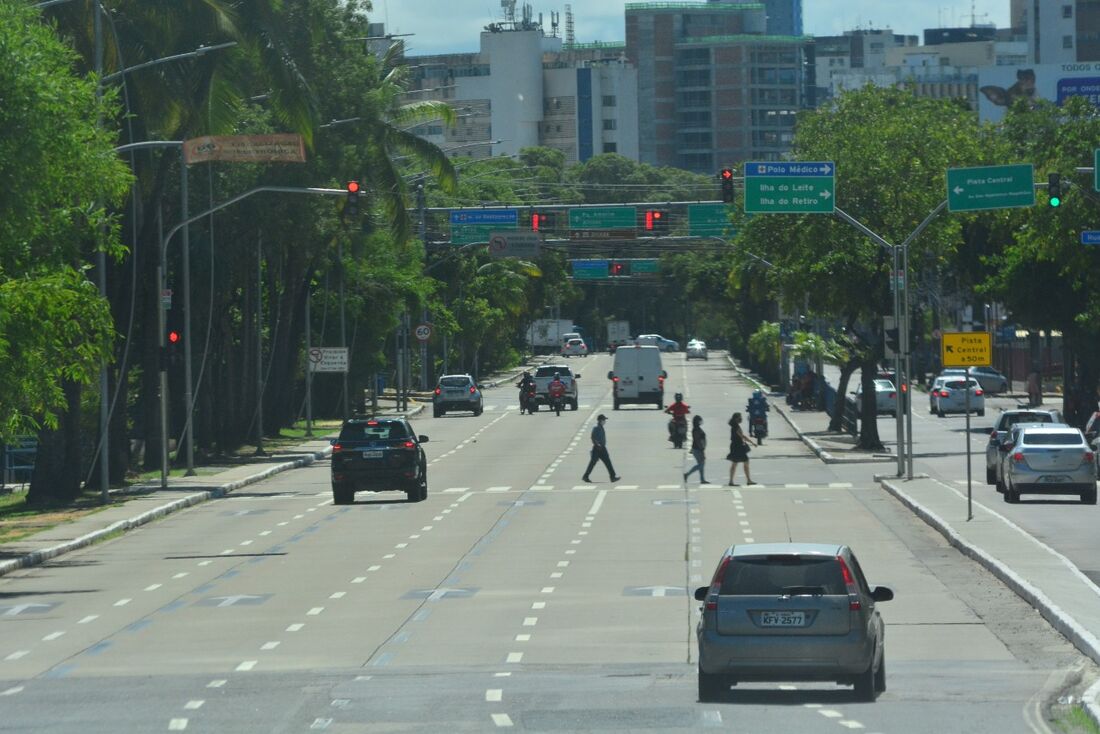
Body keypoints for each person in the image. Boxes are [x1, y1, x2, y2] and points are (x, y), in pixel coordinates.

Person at [582, 414, 620, 483]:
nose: (605, 421)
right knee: (592, 463)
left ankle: (613, 477)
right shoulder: (596, 427)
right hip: (597, 448)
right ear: (600, 420)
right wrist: (597, 444)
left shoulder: (600, 427)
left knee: (608, 462)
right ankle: (585, 476)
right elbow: (593, 437)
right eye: (604, 420)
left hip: (602, 448)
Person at [726, 412, 756, 486]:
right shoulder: (736, 426)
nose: (741, 419)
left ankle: (731, 481)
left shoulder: (734, 426)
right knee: (744, 462)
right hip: (738, 447)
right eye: (739, 417)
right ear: (736, 418)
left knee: (735, 463)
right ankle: (748, 480)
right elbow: (742, 436)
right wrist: (752, 442)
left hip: (735, 446)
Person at [683, 415, 708, 484]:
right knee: (701, 465)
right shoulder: (696, 430)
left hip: (698, 449)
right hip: (698, 449)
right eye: (699, 420)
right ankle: (687, 474)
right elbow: (697, 440)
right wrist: (701, 448)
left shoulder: (697, 428)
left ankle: (702, 479)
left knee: (701, 464)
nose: (700, 421)